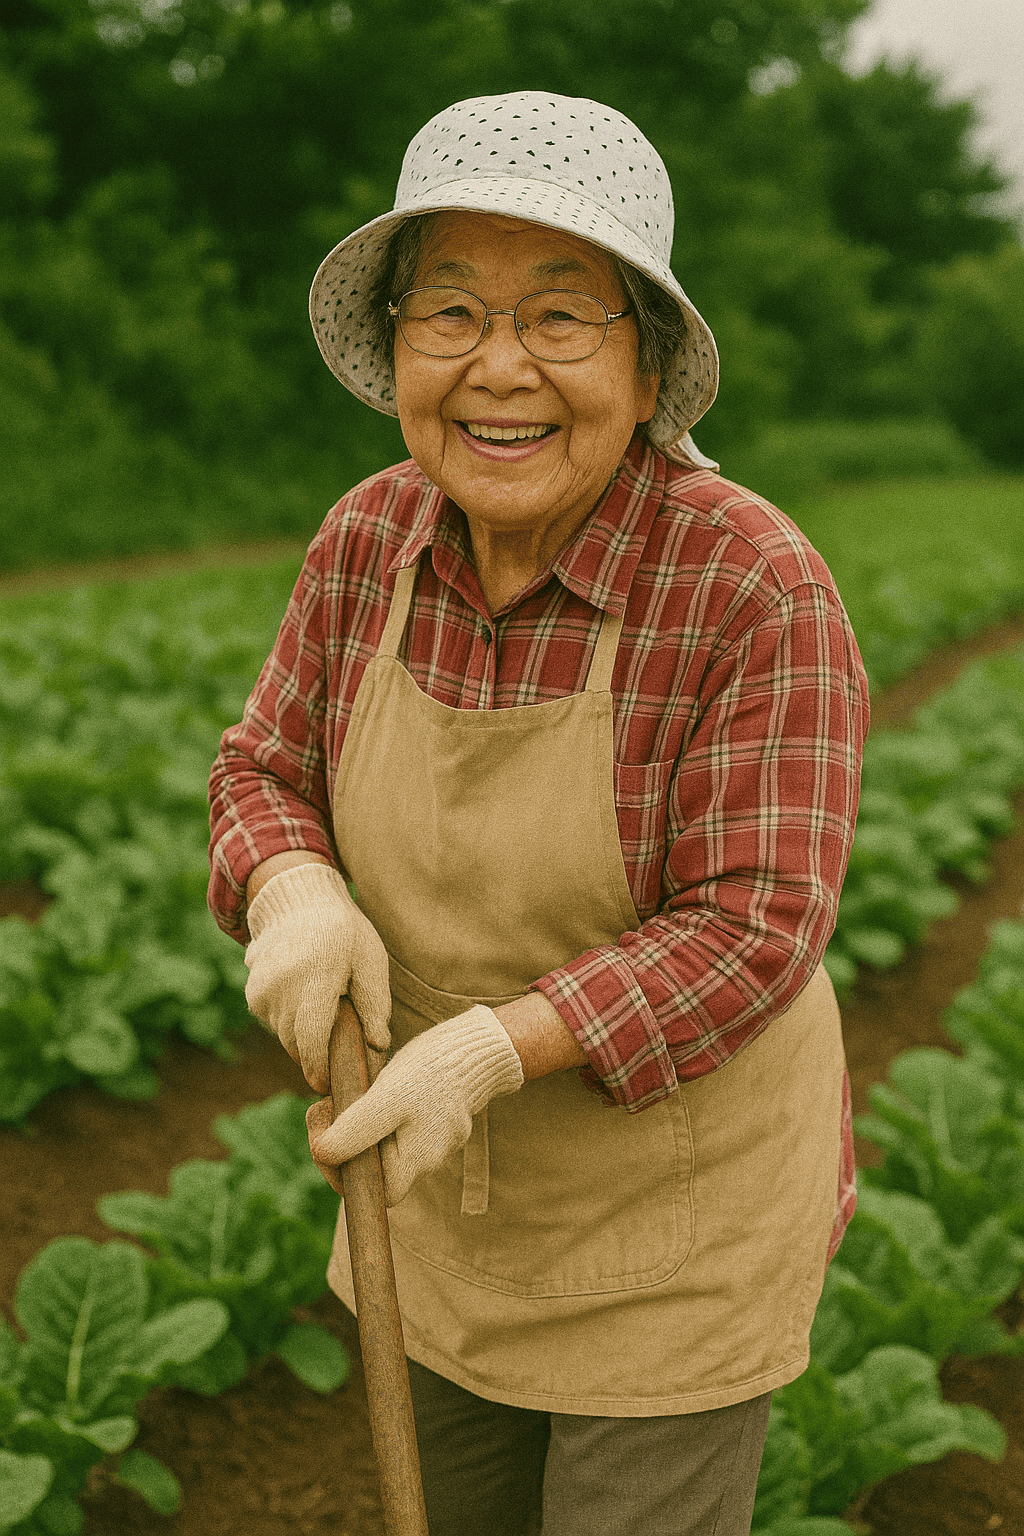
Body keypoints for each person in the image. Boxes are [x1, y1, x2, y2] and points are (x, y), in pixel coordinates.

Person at [208, 90, 867, 1536]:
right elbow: (263, 771)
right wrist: (293, 890)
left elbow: (758, 924)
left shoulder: (750, 585)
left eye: (562, 318)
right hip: (433, 1208)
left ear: (648, 372)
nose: (499, 367)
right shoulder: (369, 536)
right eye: (450, 312)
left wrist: (492, 1053)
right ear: (397, 351)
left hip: (671, 1231)